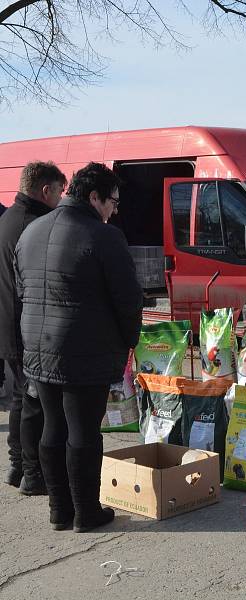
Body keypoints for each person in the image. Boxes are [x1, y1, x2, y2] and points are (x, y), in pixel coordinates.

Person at [15, 162, 142, 532]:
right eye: (112, 201)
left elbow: (23, 288)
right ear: (94, 197)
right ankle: (86, 511)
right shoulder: (103, 237)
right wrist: (129, 341)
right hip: (84, 350)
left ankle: (60, 510)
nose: (114, 210)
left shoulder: (32, 231)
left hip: (38, 345)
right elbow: (128, 300)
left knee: (53, 427)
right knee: (84, 431)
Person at [1, 161, 66, 493]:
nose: (60, 199)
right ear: (45, 190)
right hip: (25, 324)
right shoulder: (35, 224)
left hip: (7, 321)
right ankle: (32, 471)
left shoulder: (7, 218)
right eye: (59, 191)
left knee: (19, 397)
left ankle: (16, 466)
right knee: (35, 402)